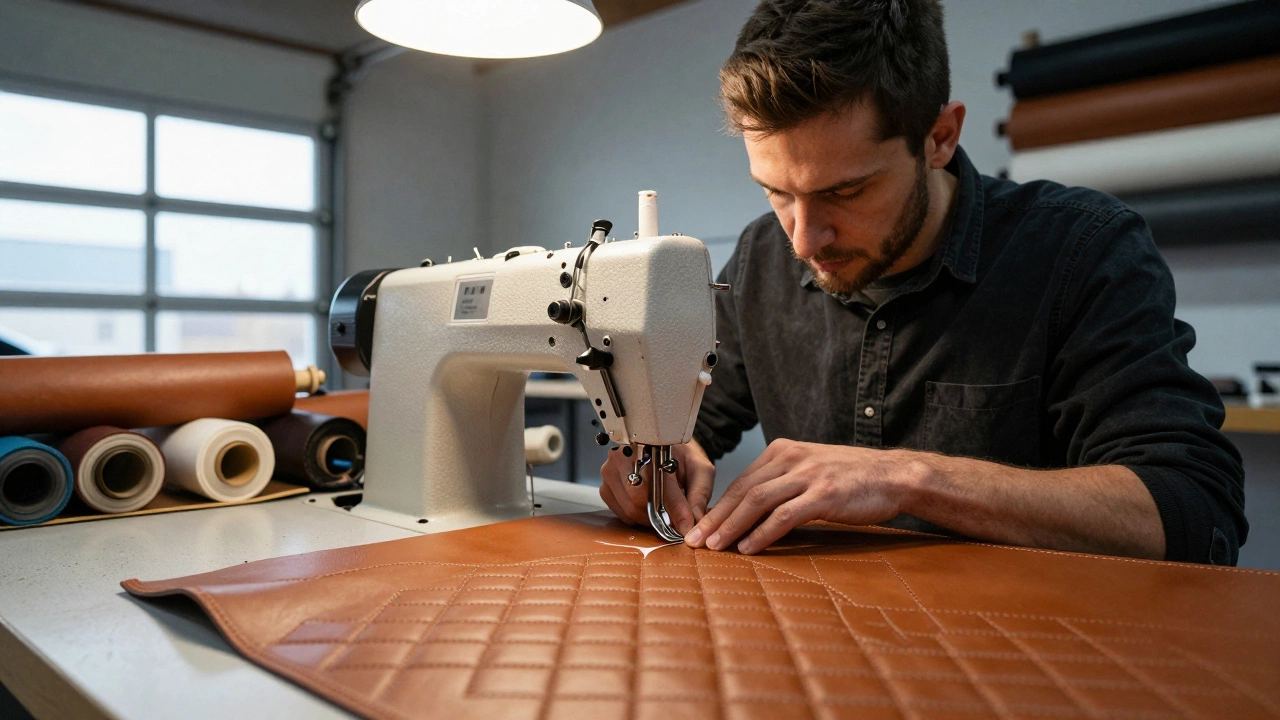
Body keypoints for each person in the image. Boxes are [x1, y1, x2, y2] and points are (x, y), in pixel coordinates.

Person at [599, 0, 1246, 564]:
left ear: (939, 137)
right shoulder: (761, 258)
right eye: (777, 192)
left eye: (845, 192)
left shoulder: (1082, 251)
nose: (803, 240)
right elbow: (694, 422)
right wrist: (656, 464)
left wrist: (909, 478)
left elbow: (1193, 511)